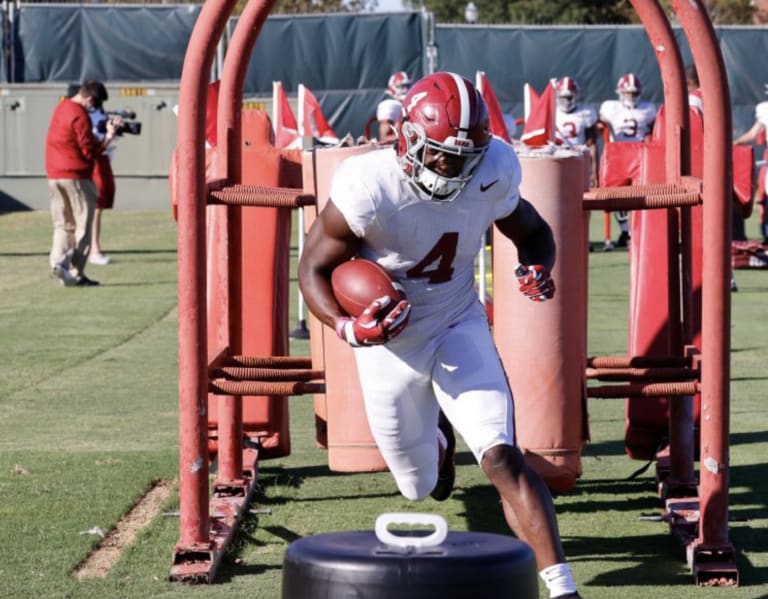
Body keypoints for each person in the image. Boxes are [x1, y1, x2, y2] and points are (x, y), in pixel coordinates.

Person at [299, 72, 582, 599]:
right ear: (406, 136)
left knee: (501, 455)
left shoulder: (492, 167)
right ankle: (438, 442)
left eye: (464, 157)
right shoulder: (369, 182)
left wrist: (538, 265)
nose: (451, 168)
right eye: (439, 154)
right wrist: (345, 325)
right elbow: (313, 268)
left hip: (457, 321)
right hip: (390, 342)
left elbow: (534, 232)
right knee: (417, 485)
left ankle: (563, 589)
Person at [45, 80, 120, 286]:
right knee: (83, 225)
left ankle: (58, 262)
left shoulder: (61, 108)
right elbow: (88, 151)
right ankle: (76, 272)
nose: (94, 109)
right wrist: (108, 138)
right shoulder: (80, 115)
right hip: (76, 176)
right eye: (94, 104)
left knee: (62, 224)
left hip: (54, 175)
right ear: (89, 99)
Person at [599, 73, 657, 249]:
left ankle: (639, 231)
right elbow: (600, 124)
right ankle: (626, 231)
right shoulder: (610, 107)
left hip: (640, 154)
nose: (631, 97)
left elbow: (654, 129)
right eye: (628, 93)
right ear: (620, 92)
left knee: (642, 194)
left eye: (633, 93)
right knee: (616, 195)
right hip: (618, 154)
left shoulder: (648, 109)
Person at [87, 101, 118, 265]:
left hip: (103, 160)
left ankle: (93, 247)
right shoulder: (83, 116)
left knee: (98, 207)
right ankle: (93, 249)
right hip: (94, 163)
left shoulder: (98, 114)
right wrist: (107, 136)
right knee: (95, 207)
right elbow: (94, 144)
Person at [555, 76, 598, 188]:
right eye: (563, 97)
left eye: (569, 97)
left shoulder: (586, 112)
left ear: (575, 96)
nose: (566, 101)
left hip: (579, 158)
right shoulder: (552, 112)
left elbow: (591, 146)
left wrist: (594, 172)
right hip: (556, 158)